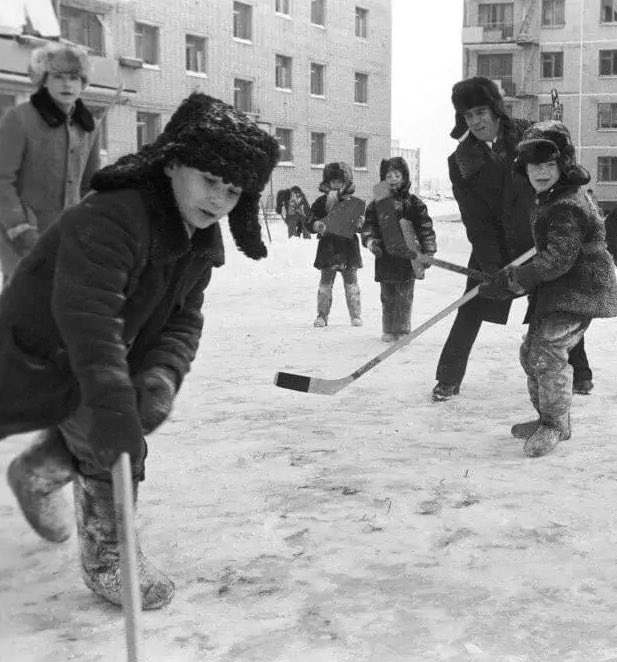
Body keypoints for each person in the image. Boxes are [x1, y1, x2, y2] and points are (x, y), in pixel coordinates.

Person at [0, 92, 280, 609]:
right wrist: (112, 404)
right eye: (210, 180)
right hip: (37, 352)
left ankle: (38, 472)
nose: (219, 199)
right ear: (172, 162)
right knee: (114, 443)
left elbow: (183, 318)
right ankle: (111, 561)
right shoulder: (115, 215)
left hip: (100, 355)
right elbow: (87, 317)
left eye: (233, 189)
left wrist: (161, 375)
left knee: (112, 429)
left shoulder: (196, 237)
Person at [433, 76, 594, 401]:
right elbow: (475, 219)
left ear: (495, 110)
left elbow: (564, 176)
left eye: (480, 112)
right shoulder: (461, 161)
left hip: (541, 240)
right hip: (494, 246)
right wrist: (494, 267)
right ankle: (448, 379)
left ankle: (580, 373)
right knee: (471, 308)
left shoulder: (530, 136)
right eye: (468, 116)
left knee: (554, 307)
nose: (476, 121)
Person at [478, 121, 617, 457]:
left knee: (547, 353)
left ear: (563, 165)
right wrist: (515, 275)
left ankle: (554, 425)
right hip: (561, 290)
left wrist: (517, 279)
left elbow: (557, 260)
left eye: (549, 164)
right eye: (534, 165)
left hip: (580, 290)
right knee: (532, 353)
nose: (541, 172)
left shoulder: (567, 204)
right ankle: (549, 418)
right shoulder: (551, 198)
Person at [0, 42, 101, 285]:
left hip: (70, 241)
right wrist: (21, 229)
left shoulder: (89, 127)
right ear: (44, 80)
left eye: (74, 77)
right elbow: (2, 180)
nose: (67, 84)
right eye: (58, 76)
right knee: (22, 312)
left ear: (83, 83)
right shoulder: (20, 118)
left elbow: (91, 185)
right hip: (22, 242)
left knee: (60, 312)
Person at [363, 156, 437, 342]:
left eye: (397, 174)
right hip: (385, 257)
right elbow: (369, 226)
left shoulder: (414, 203)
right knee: (387, 296)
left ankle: (403, 330)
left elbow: (425, 228)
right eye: (389, 175)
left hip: (407, 259)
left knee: (404, 296)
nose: (393, 178)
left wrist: (428, 251)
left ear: (404, 177)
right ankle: (389, 329)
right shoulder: (376, 204)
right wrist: (372, 242)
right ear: (383, 178)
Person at [306, 162, 364, 328]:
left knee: (351, 284)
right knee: (325, 285)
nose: (337, 185)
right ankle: (322, 316)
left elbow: (363, 222)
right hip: (328, 249)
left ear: (347, 183)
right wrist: (315, 224)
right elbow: (310, 219)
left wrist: (360, 223)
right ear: (328, 183)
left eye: (340, 182)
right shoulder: (321, 202)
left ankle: (355, 315)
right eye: (333, 182)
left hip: (348, 249)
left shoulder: (354, 203)